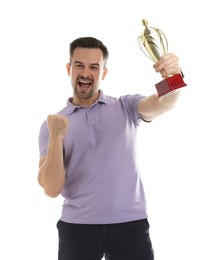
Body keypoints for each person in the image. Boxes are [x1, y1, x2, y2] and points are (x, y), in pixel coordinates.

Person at [38, 36, 184, 260]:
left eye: (94, 67)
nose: (86, 73)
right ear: (69, 69)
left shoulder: (126, 107)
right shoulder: (52, 125)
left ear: (103, 73)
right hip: (78, 228)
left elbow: (163, 103)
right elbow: (51, 189)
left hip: (129, 226)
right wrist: (57, 138)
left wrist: (174, 77)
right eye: (79, 65)